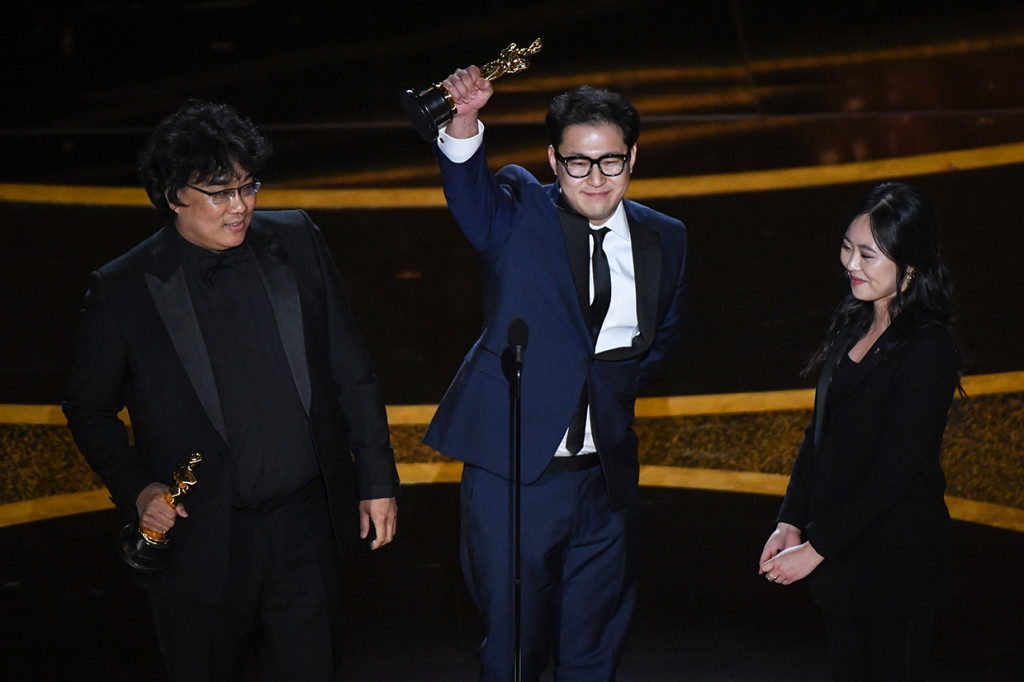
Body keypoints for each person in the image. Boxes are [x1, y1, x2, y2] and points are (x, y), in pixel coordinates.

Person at [63, 100, 400, 682]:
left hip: (305, 527)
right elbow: (88, 409)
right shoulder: (123, 289)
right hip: (202, 541)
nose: (240, 205)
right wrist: (139, 489)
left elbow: (352, 368)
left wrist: (376, 479)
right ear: (173, 196)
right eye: (220, 193)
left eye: (248, 186)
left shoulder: (297, 239)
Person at [421, 67, 689, 680]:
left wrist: (599, 398)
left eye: (611, 161)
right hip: (513, 478)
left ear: (633, 158)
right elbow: (469, 196)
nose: (596, 178)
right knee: (516, 651)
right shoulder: (516, 214)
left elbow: (661, 341)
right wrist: (463, 123)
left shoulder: (665, 238)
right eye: (578, 163)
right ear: (552, 160)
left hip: (605, 483)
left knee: (594, 651)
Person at [758, 182, 962, 681]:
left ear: (910, 265)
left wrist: (816, 548)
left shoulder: (928, 349)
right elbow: (819, 433)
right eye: (848, 247)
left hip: (897, 568)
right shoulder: (853, 321)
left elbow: (896, 471)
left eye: (868, 255)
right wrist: (791, 522)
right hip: (843, 562)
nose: (851, 264)